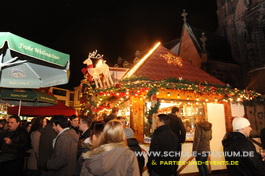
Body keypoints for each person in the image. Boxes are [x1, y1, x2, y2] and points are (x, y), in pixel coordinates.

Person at [168, 106, 186, 171]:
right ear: (176, 112)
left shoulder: (166, 118)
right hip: (176, 143)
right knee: (175, 160)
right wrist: (182, 140)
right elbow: (183, 130)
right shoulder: (177, 119)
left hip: (167, 142)